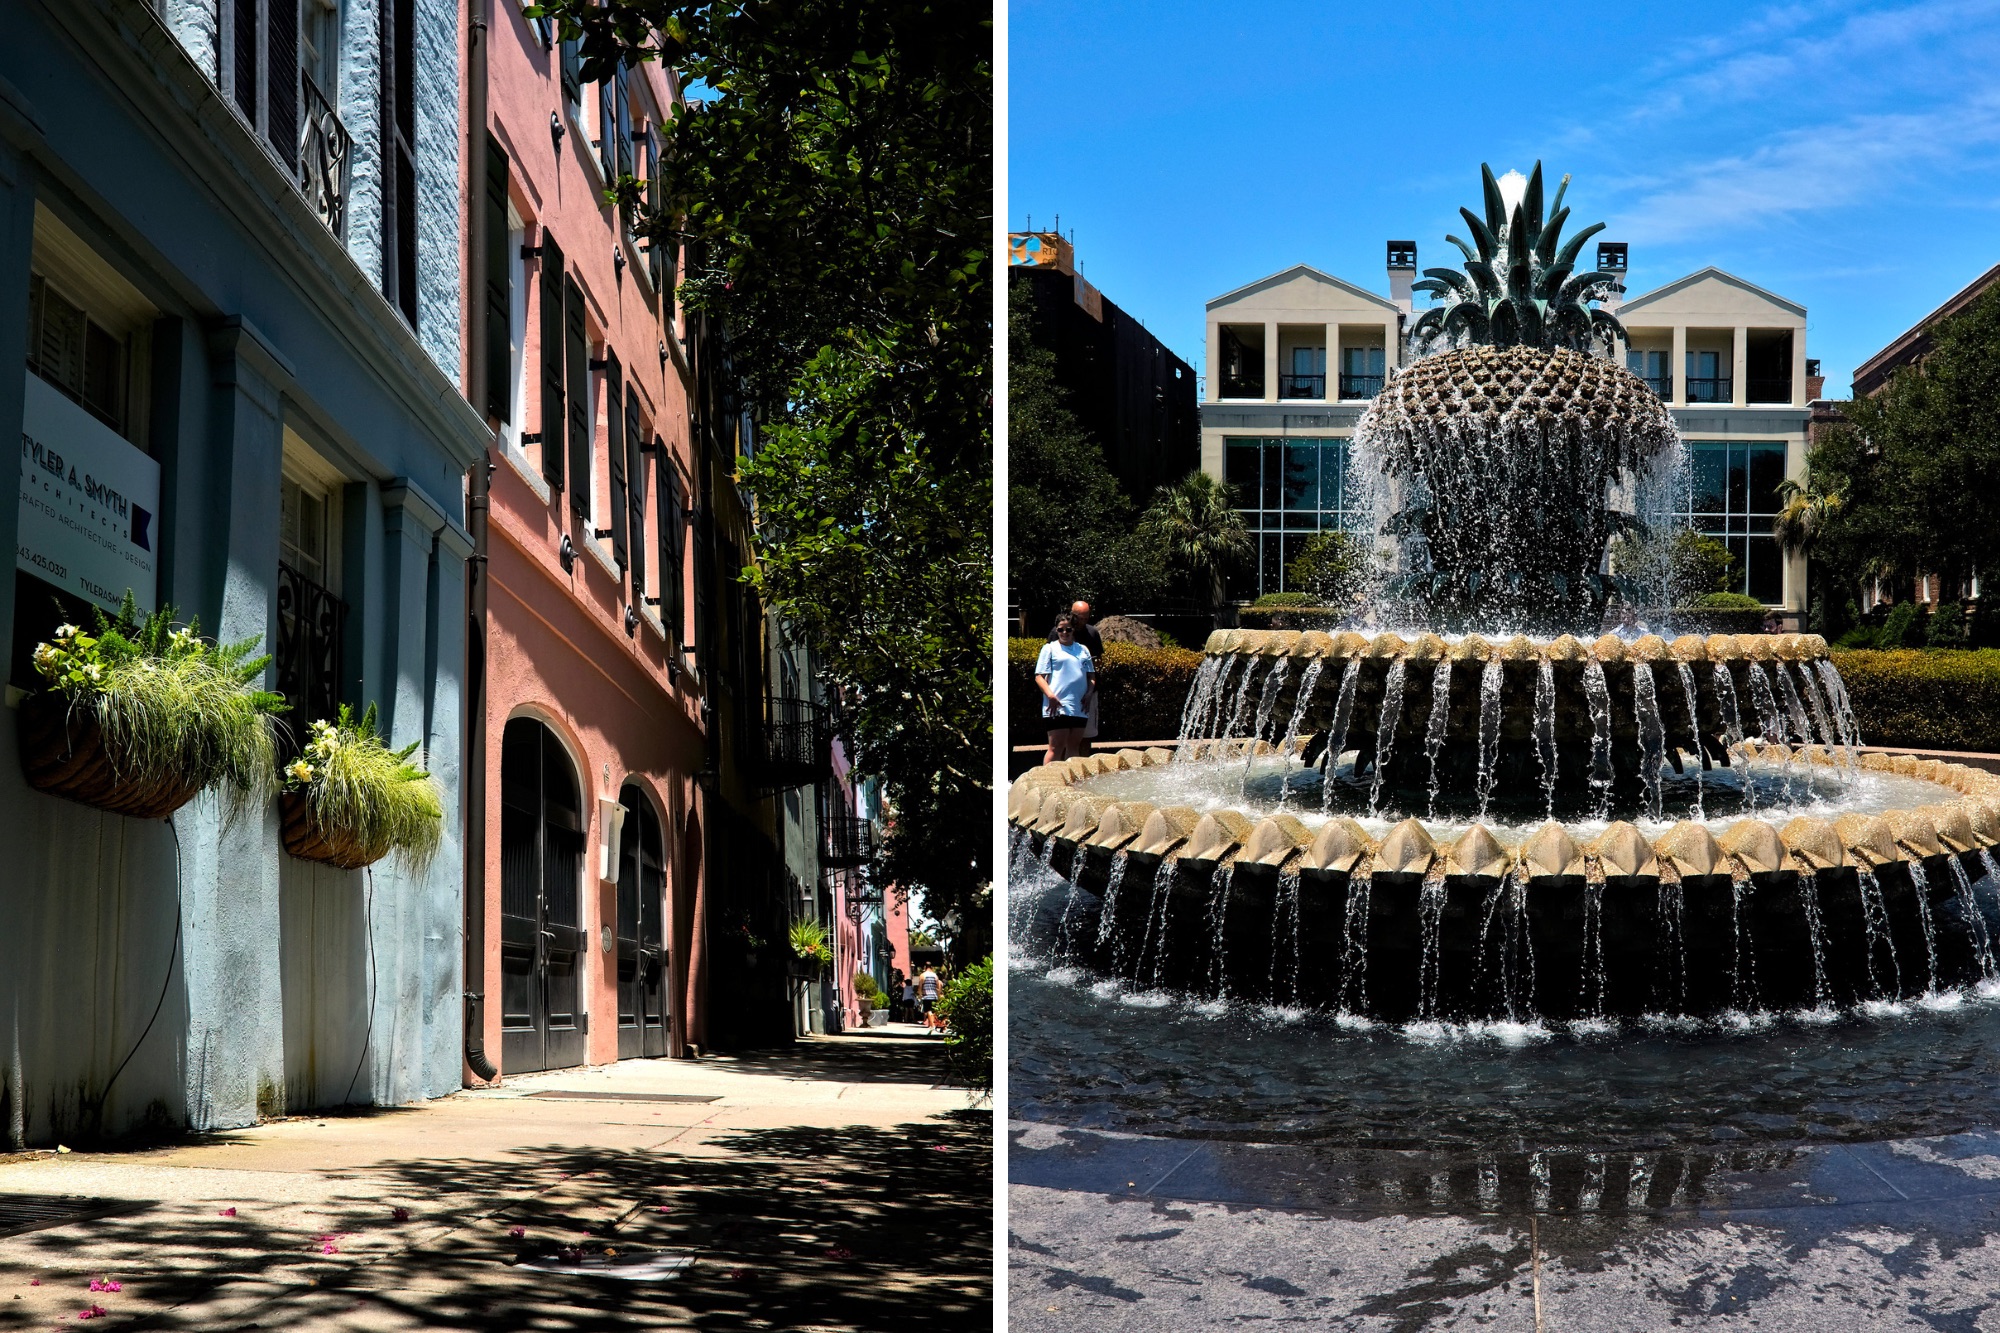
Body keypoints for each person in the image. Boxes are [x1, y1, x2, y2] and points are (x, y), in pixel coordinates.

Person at [1036, 613, 1097, 764]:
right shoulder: (1049, 649)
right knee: (1056, 747)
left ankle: (1071, 784)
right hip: (1057, 705)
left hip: (1079, 706)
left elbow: (1091, 676)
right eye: (1060, 630)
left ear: (1073, 630)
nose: (1064, 633)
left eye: (1068, 629)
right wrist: (1050, 695)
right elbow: (1039, 677)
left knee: (1074, 747)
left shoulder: (1083, 650)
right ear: (1056, 631)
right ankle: (1047, 782)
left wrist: (1089, 693)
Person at [1067, 601, 1105, 753]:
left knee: (1086, 735)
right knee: (1065, 736)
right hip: (1067, 692)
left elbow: (1097, 662)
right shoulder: (1061, 631)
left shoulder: (1092, 633)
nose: (1082, 622)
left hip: (1088, 691)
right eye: (1078, 618)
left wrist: (1090, 690)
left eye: (1085, 618)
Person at [918, 964, 943, 1034]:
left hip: (926, 996)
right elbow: (938, 987)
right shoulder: (935, 976)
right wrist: (938, 995)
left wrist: (920, 995)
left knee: (928, 1010)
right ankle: (932, 1024)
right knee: (933, 1011)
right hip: (934, 995)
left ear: (924, 967)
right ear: (931, 967)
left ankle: (932, 1025)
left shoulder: (922, 975)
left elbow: (920, 986)